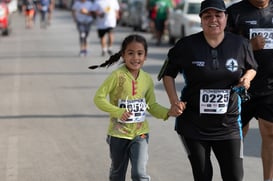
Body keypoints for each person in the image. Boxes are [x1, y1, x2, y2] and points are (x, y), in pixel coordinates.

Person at [158, 0, 257, 180]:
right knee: (203, 176)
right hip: (193, 124)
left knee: (234, 177)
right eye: (207, 16)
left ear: (226, 18)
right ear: (201, 19)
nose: (213, 20)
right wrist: (174, 102)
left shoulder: (241, 44)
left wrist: (247, 78)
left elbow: (252, 67)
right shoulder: (186, 45)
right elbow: (167, 74)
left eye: (218, 15)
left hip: (229, 125)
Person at [91, 34, 178, 181]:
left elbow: (151, 105)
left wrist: (168, 112)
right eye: (130, 53)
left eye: (139, 53)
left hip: (140, 134)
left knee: (139, 174)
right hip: (118, 134)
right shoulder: (117, 76)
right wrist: (118, 111)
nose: (135, 58)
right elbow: (98, 98)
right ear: (123, 55)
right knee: (117, 174)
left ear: (145, 56)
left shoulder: (147, 79)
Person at [226, 1, 273, 181]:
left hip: (270, 86)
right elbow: (223, 46)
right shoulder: (235, 12)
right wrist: (248, 45)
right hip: (242, 84)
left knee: (270, 131)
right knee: (238, 134)